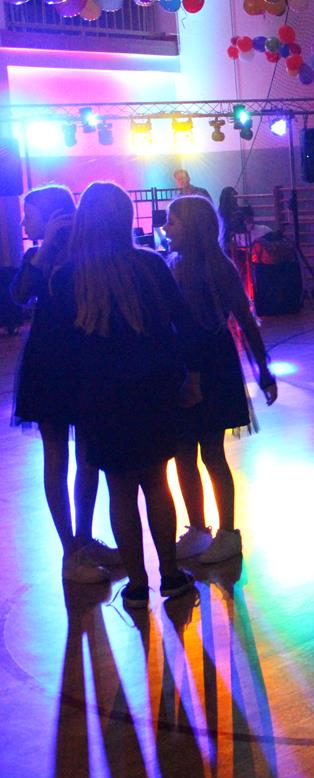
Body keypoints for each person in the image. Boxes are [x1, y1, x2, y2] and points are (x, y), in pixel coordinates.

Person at [63, 182, 203, 609]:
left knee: (119, 490)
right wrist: (191, 376)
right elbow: (185, 324)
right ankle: (171, 576)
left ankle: (138, 585)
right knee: (157, 483)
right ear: (126, 218)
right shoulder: (150, 266)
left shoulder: (71, 276)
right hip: (153, 389)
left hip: (100, 398)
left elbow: (62, 349)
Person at [9, 185, 119, 582]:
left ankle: (85, 540)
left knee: (89, 455)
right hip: (47, 366)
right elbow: (20, 296)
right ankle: (69, 549)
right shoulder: (35, 257)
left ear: (55, 215)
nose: (24, 222)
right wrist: (43, 253)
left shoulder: (84, 255)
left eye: (30, 214)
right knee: (56, 455)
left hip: (84, 362)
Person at [163, 196, 278, 565]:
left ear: (194, 227)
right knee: (183, 451)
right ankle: (197, 528)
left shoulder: (218, 269)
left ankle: (227, 531)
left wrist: (263, 370)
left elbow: (245, 321)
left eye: (173, 222)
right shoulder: (172, 265)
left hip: (213, 364)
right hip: (182, 364)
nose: (166, 228)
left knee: (212, 451)